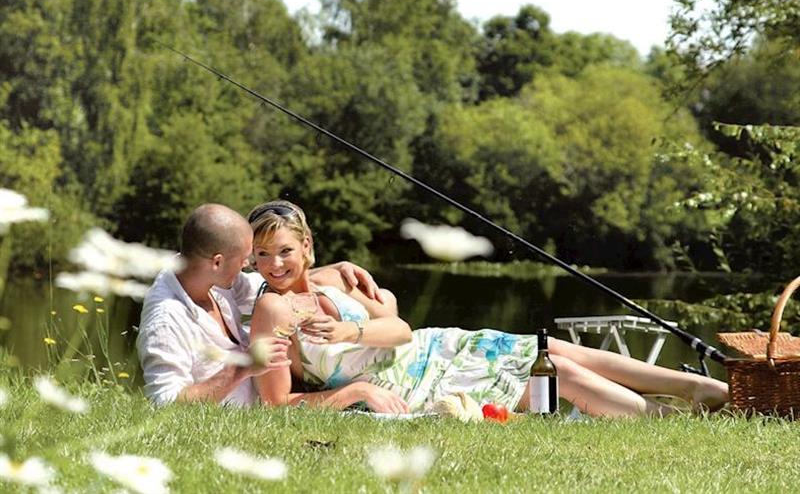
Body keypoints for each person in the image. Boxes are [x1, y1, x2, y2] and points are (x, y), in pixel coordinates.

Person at [247, 200, 729, 417]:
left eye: (285, 250)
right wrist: (356, 396)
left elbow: (399, 330)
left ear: (307, 244)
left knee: (548, 346)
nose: (274, 265)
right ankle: (665, 417)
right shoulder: (272, 313)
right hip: (408, 383)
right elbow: (275, 405)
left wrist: (350, 333)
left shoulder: (336, 277)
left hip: (430, 347)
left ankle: (701, 388)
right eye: (262, 255)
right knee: (553, 371)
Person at [136, 203, 383, 407]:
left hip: (286, 395)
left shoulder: (213, 279)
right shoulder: (166, 318)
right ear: (217, 262)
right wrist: (242, 368)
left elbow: (275, 279)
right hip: (264, 411)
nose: (248, 266)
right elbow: (163, 402)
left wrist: (333, 270)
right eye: (245, 259)